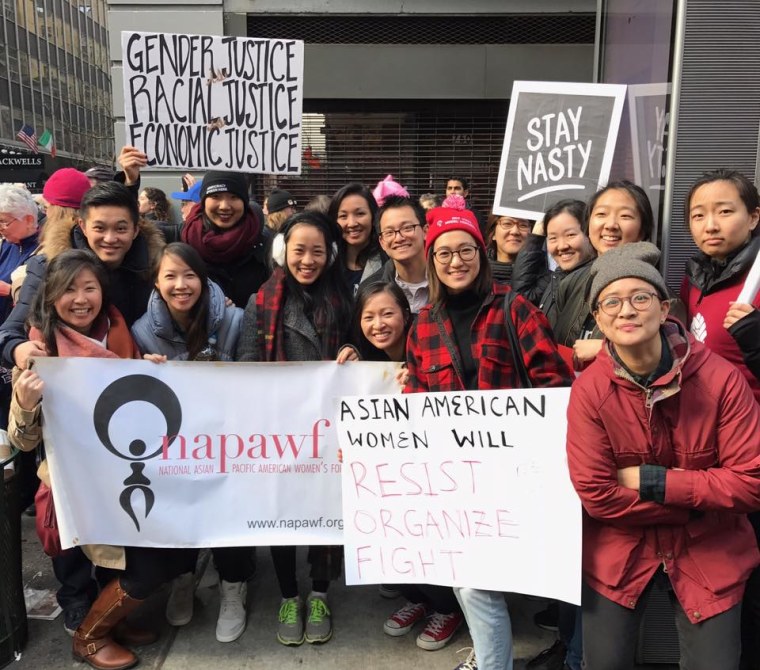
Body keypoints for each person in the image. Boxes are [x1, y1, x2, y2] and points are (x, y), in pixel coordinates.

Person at [567, 241, 760, 670]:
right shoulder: (590, 390)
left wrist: (653, 480)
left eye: (640, 297)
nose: (627, 311)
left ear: (664, 306)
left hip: (710, 549)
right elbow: (595, 493)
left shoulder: (722, 380)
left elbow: (751, 483)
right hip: (619, 549)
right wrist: (697, 503)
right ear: (597, 318)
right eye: (611, 302)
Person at [405, 198, 574, 670]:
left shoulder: (514, 308)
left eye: (466, 250)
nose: (455, 261)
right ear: (432, 261)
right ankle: (492, 661)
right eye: (444, 253)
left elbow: (554, 385)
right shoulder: (421, 326)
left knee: (523, 575)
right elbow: (420, 397)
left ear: (481, 255)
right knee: (470, 579)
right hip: (461, 479)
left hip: (520, 471)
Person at [8, 249, 192, 670]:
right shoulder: (40, 349)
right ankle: (89, 638)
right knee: (137, 569)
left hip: (131, 477)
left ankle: (111, 623)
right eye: (68, 289)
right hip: (78, 486)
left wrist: (148, 373)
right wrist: (25, 399)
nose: (80, 299)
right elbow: (23, 439)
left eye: (89, 287)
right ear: (51, 296)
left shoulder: (121, 335)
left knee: (146, 562)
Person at [237, 210, 353, 646]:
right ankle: (289, 594)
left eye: (317, 251)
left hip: (330, 429)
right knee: (281, 514)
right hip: (279, 431)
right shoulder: (260, 302)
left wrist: (351, 353)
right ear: (283, 252)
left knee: (325, 509)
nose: (308, 260)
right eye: (299, 250)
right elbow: (247, 364)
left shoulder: (345, 299)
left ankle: (320, 592)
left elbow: (361, 345)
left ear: (331, 255)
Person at [131, 242, 253, 643]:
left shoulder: (235, 318)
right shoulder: (142, 331)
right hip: (175, 445)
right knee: (180, 512)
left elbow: (253, 377)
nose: (181, 285)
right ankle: (183, 578)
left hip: (228, 438)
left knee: (228, 514)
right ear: (156, 281)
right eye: (170, 276)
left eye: (189, 275)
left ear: (203, 279)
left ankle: (234, 588)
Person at [680, 169, 760, 669]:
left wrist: (755, 337)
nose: (710, 224)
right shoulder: (697, 279)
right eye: (698, 214)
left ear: (754, 217)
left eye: (725, 211)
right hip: (711, 461)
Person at [0, 182, 164, 372]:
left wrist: (151, 359)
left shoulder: (155, 271)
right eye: (100, 228)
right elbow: (9, 331)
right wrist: (17, 349)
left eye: (120, 229)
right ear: (83, 227)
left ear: (135, 230)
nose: (110, 239)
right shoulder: (46, 268)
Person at [555, 180, 655, 364]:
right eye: (601, 214)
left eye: (625, 216)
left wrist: (606, 350)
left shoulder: (657, 295)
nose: (610, 225)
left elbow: (659, 358)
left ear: (643, 230)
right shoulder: (570, 283)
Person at [181, 171, 270, 308]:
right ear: (204, 201)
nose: (224, 206)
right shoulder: (179, 239)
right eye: (215, 196)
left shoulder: (267, 247)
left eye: (234, 197)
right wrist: (134, 184)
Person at [362, 195, 429, 314]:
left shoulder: (448, 280)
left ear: (425, 231)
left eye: (407, 228)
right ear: (382, 242)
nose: (399, 238)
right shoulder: (370, 288)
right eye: (389, 232)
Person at [328, 183, 385, 294]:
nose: (352, 223)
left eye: (360, 213)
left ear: (373, 216)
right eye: (343, 216)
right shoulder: (326, 263)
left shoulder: (389, 263)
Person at [0, 185, 41, 324]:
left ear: (29, 220)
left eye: (3, 222)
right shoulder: (6, 244)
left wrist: (10, 290)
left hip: (19, 334)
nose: (0, 228)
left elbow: (46, 299)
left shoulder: (45, 251)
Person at [484, 212, 531, 284]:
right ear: (493, 233)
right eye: (507, 224)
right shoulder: (477, 275)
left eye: (523, 225)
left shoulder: (545, 277)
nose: (515, 231)